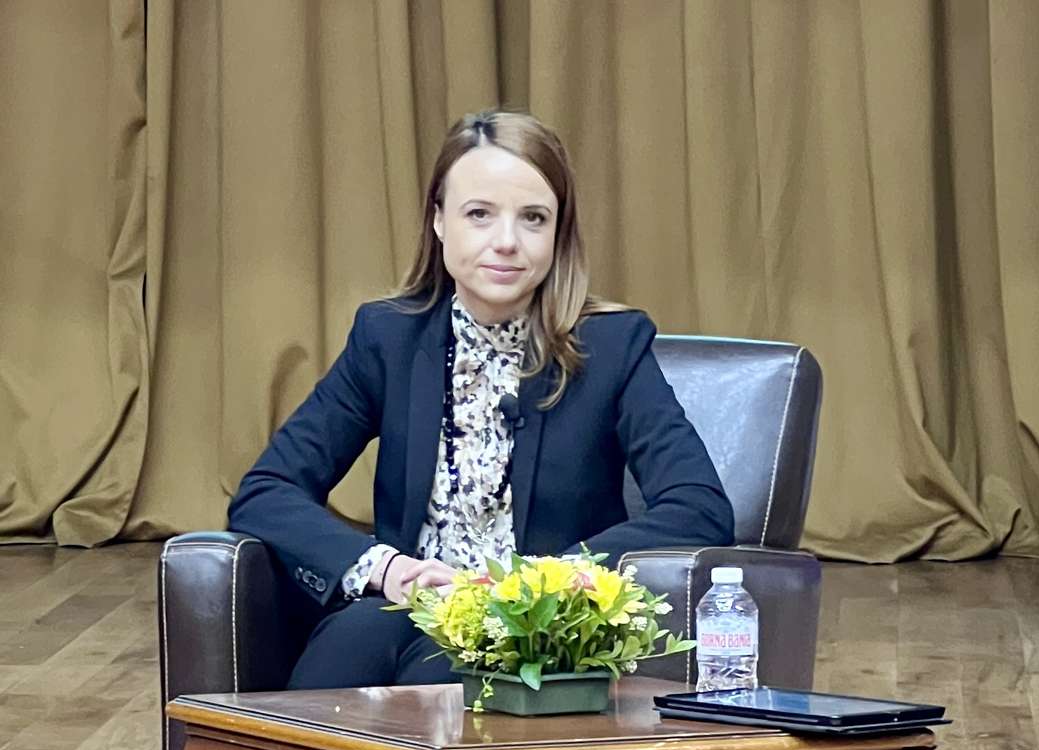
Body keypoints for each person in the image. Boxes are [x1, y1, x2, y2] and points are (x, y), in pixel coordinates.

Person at [227, 108, 735, 696]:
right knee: (348, 649)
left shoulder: (612, 347)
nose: (507, 242)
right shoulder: (388, 339)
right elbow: (266, 491)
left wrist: (552, 577)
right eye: (479, 214)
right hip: (407, 607)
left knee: (443, 676)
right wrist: (387, 568)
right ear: (438, 220)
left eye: (533, 218)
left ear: (558, 232)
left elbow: (699, 506)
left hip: (531, 627)